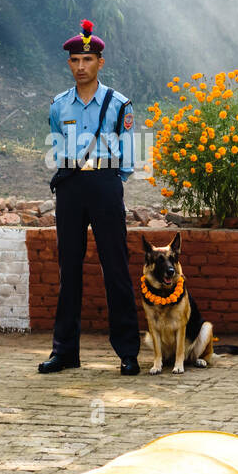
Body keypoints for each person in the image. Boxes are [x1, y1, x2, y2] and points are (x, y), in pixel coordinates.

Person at [39, 19, 142, 376]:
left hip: (104, 184)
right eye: (74, 61)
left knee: (115, 267)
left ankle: (128, 352)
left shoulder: (118, 103)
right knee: (69, 269)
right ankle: (64, 351)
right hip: (70, 187)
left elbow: (129, 155)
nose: (80, 67)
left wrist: (110, 179)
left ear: (100, 62)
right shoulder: (58, 105)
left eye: (87, 60)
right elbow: (56, 145)